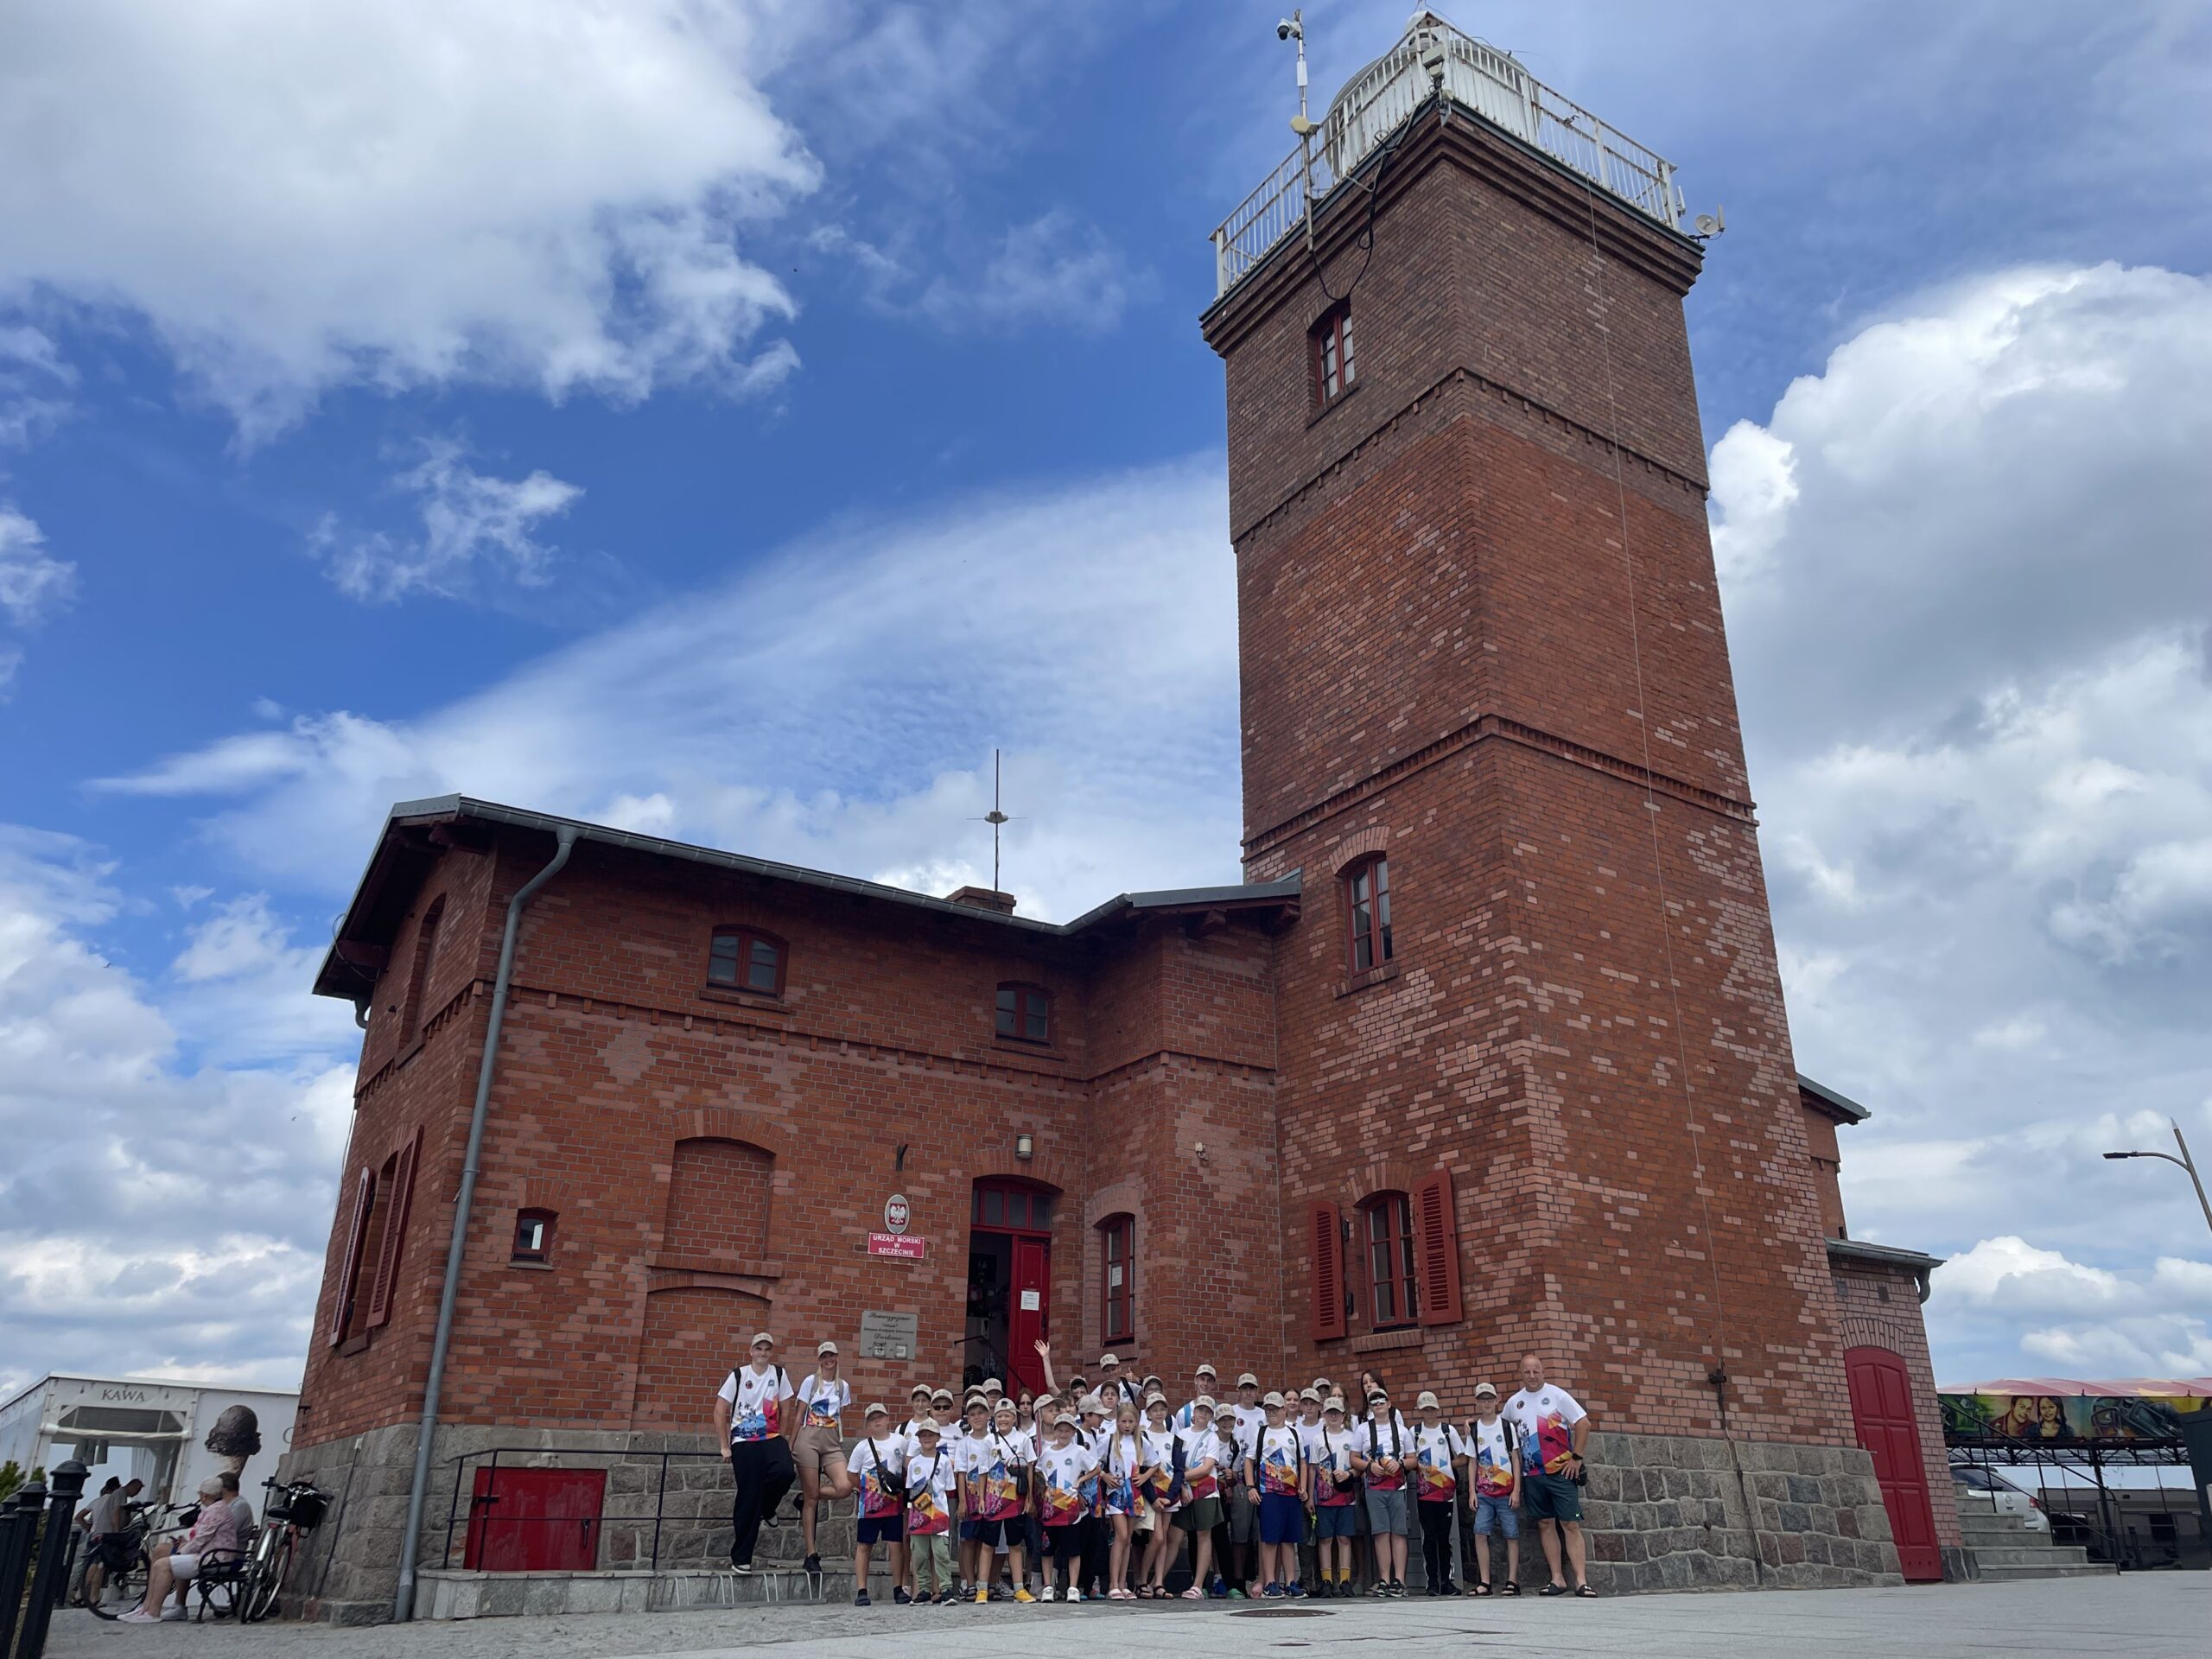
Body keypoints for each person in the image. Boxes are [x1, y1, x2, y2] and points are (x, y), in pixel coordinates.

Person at [1504, 1353, 1594, 1598]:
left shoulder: (1557, 1395)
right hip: (1532, 1474)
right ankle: (1557, 1579)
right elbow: (1500, 1429)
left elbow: (1584, 1424)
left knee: (1570, 1523)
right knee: (1545, 1524)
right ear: (1521, 1374)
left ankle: (1581, 1581)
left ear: (1543, 1372)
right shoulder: (1513, 1403)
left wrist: (1576, 1458)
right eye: (1527, 1372)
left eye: (1536, 1371)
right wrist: (1473, 1423)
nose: (1532, 1376)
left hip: (1561, 1471)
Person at [715, 1331, 797, 1575]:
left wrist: (781, 1436)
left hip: (771, 1438)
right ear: (751, 1351)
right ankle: (741, 1558)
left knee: (785, 1473)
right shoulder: (739, 1375)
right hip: (744, 1440)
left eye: (767, 1349)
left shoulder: (779, 1374)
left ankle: (768, 1508)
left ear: (771, 1352)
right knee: (749, 1498)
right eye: (759, 1349)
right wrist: (724, 1445)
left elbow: (786, 1408)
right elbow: (720, 1410)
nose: (763, 1353)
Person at [116, 1478, 238, 1623]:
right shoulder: (217, 1508)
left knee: (162, 1565)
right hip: (210, 1554)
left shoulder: (216, 1511)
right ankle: (146, 1607)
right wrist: (184, 1545)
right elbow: (203, 1538)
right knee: (161, 1552)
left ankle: (153, 1612)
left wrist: (181, 1551)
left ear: (205, 1496)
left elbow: (201, 1539)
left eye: (200, 1494)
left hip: (214, 1558)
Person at [794, 1341, 855, 1574]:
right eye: (824, 1356)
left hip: (830, 1440)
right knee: (812, 1501)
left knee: (845, 1486)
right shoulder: (810, 1382)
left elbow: (840, 1415)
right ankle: (811, 1554)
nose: (828, 1359)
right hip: (808, 1437)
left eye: (832, 1355)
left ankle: (807, 1495)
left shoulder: (843, 1386)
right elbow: (800, 1414)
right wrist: (790, 1445)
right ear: (820, 1359)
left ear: (837, 1357)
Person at [967, 1402, 1035, 1602]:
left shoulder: (1023, 1439)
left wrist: (1030, 1497)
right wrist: (981, 1498)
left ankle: (1019, 1588)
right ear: (994, 1419)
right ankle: (982, 1588)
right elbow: (983, 1471)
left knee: (1014, 1544)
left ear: (1014, 1418)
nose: (1003, 1419)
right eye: (999, 1416)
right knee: (988, 1544)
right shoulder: (988, 1440)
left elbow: (1030, 1469)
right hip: (994, 1499)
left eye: (1007, 1415)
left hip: (1016, 1499)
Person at [1461, 1381, 1522, 1597]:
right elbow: (1472, 1461)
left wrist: (1516, 1490)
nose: (1486, 1403)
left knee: (1511, 1535)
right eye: (1482, 1400)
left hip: (1506, 1492)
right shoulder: (1474, 1429)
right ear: (1477, 1403)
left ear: (1497, 1401)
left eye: (1490, 1399)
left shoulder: (1506, 1427)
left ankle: (1512, 1581)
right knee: (1480, 1532)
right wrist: (1472, 1492)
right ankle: (1485, 1582)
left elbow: (1515, 1458)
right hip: (1484, 1493)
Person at [1351, 1383, 1410, 1596]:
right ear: (1369, 1407)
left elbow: (1413, 1459)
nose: (1378, 1404)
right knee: (1380, 1532)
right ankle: (1384, 1579)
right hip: (1374, 1488)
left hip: (1397, 1487)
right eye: (1373, 1402)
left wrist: (1400, 1464)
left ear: (1389, 1404)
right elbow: (1353, 1458)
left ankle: (1399, 1580)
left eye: (1381, 1401)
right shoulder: (1363, 1430)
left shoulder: (1401, 1430)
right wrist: (1369, 1466)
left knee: (1399, 1532)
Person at [1248, 1391, 1307, 1599]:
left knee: (1289, 1539)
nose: (1271, 1413)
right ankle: (1270, 1581)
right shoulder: (1261, 1433)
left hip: (1291, 1493)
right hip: (1269, 1493)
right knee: (1270, 1538)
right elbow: (1249, 1461)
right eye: (1268, 1409)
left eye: (1275, 1409)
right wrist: (1251, 1487)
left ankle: (1290, 1581)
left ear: (1284, 1410)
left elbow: (1302, 1462)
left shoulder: (1294, 1433)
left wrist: (1303, 1487)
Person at [849, 1402, 907, 1606]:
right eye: (873, 1419)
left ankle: (898, 1588)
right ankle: (861, 1590)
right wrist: (864, 1490)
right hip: (870, 1506)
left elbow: (906, 1466)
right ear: (867, 1424)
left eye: (880, 1417)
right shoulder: (862, 1447)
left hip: (894, 1504)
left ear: (887, 1419)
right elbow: (851, 1474)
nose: (877, 1421)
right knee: (864, 1545)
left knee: (896, 1545)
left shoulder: (900, 1441)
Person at [1034, 1409, 1096, 1600]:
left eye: (1067, 1431)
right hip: (1050, 1509)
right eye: (1060, 1430)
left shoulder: (1079, 1451)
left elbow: (1095, 1469)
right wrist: (1042, 1493)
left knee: (1072, 1550)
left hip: (1070, 1510)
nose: (1063, 1434)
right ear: (1054, 1431)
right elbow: (1038, 1473)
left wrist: (1080, 1481)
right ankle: (1048, 1586)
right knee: (1047, 1550)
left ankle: (1073, 1587)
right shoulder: (1047, 1453)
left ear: (1073, 1432)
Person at [1172, 1395, 1224, 1599]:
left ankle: (1198, 1585)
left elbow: (1206, 1467)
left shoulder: (1212, 1437)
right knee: (1174, 1535)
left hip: (1205, 1490)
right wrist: (1180, 1484)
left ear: (1211, 1416)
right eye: (1200, 1409)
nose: (1203, 1413)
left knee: (1204, 1535)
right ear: (1193, 1412)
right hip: (1184, 1490)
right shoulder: (1182, 1434)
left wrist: (1180, 1478)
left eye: (1207, 1411)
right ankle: (1156, 1581)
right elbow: (1175, 1462)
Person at [1411, 1390, 1462, 1596]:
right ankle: (1432, 1581)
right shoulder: (1415, 1432)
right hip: (1425, 1493)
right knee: (1429, 1537)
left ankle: (1447, 1581)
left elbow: (1463, 1457)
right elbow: (1409, 1458)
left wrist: (1444, 1467)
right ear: (1420, 1411)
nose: (1429, 1413)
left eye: (1432, 1409)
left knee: (1444, 1537)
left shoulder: (1447, 1431)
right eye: (1426, 1410)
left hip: (1445, 1492)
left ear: (1438, 1410)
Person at [904, 1418, 959, 1605]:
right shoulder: (914, 1463)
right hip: (918, 1515)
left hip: (939, 1513)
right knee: (919, 1554)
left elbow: (949, 1489)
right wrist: (910, 1515)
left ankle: (946, 1588)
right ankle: (924, 1589)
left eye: (931, 1435)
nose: (927, 1438)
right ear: (919, 1439)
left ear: (937, 1438)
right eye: (923, 1435)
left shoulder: (944, 1461)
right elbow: (910, 1491)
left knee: (941, 1553)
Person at [1309, 1396, 1359, 1597]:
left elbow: (1358, 1466)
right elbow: (1312, 1468)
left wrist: (1349, 1474)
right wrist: (1310, 1497)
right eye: (1330, 1412)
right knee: (1325, 1539)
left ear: (1343, 1415)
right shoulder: (1318, 1439)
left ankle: (1345, 1581)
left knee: (1344, 1538)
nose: (1333, 1416)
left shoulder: (1352, 1437)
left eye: (1337, 1413)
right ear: (1324, 1414)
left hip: (1346, 1495)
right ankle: (1327, 1581)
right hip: (1324, 1496)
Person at [1135, 1392, 1178, 1596]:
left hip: (1169, 1495)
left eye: (1162, 1409)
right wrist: (1153, 1498)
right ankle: (1142, 1580)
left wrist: (1171, 1496)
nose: (1159, 1413)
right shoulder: (1143, 1437)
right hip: (1151, 1495)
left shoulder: (1174, 1439)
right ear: (1148, 1413)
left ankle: (1159, 1582)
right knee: (1157, 1537)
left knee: (1164, 1538)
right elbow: (1142, 1469)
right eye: (1154, 1410)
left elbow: (1178, 1469)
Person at [1102, 1397, 1144, 1599]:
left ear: (1136, 1422)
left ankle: (1123, 1582)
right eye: (1124, 1421)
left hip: (1134, 1492)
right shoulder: (1110, 1440)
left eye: (1131, 1422)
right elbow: (1094, 1463)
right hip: (1116, 1492)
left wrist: (1144, 1476)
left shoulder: (1140, 1442)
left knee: (1128, 1539)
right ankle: (1113, 1583)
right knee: (1121, 1535)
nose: (1127, 1425)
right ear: (1117, 1422)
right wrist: (1105, 1476)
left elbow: (1155, 1463)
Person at [952, 1395, 994, 1599]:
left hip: (992, 1498)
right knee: (968, 1541)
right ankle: (969, 1583)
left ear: (988, 1415)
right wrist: (962, 1501)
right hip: (970, 1497)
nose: (977, 1417)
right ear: (967, 1419)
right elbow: (961, 1473)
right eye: (972, 1414)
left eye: (980, 1413)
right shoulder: (964, 1443)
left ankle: (983, 1581)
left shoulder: (994, 1440)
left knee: (985, 1542)